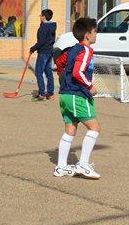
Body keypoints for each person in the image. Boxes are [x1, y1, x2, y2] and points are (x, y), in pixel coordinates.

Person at [53, 17, 101, 180]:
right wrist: (89, 86)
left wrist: (61, 73)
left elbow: (60, 63)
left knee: (70, 130)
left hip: (65, 95)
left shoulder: (72, 49)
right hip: (77, 94)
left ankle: (61, 167)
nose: (96, 35)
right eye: (95, 31)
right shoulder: (86, 50)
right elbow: (78, 72)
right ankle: (83, 164)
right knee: (94, 128)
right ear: (88, 35)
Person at [30, 9, 57, 101]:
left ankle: (42, 93)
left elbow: (41, 41)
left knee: (38, 72)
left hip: (43, 52)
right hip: (50, 51)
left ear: (44, 17)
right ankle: (50, 93)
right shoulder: (52, 26)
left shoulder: (43, 27)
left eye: (41, 15)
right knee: (48, 71)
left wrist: (32, 48)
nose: (40, 17)